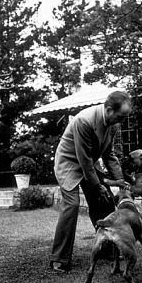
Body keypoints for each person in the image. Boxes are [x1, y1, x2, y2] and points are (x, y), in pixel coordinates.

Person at [50, 91, 132, 272]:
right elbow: (84, 160)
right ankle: (59, 259)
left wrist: (120, 181)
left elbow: (109, 155)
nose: (121, 121)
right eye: (120, 116)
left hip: (88, 162)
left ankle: (108, 248)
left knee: (105, 200)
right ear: (109, 109)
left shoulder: (112, 124)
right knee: (71, 205)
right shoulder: (84, 121)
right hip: (69, 163)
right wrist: (97, 185)